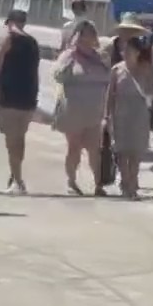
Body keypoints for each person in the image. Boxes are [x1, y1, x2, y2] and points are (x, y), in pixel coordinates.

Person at [0, 8, 42, 194]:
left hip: (9, 94)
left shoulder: (7, 39)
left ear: (10, 22)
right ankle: (16, 175)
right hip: (28, 95)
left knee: (10, 138)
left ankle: (17, 179)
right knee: (19, 137)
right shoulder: (33, 43)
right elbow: (35, 71)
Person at [51, 18, 113, 195]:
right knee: (74, 147)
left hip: (94, 112)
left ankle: (98, 184)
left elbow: (108, 78)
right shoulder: (69, 56)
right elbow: (57, 75)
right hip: (73, 111)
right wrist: (69, 58)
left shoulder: (101, 57)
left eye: (90, 34)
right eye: (83, 34)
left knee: (95, 150)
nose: (86, 38)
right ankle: (71, 182)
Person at [102, 32, 153, 199]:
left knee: (136, 153)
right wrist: (106, 117)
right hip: (121, 115)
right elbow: (110, 94)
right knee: (122, 153)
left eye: (130, 50)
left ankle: (132, 183)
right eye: (125, 50)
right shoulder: (116, 70)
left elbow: (150, 93)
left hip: (139, 115)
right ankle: (126, 184)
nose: (126, 53)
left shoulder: (145, 69)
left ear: (138, 52)